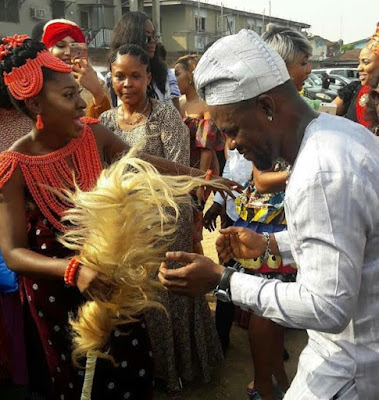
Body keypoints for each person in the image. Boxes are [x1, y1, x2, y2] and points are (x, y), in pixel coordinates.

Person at [0, 35, 233, 400]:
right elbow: (13, 254)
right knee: (77, 384)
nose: (82, 104)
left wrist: (200, 177)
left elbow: (142, 163)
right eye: (68, 96)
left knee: (130, 368)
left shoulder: (92, 136)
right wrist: (74, 271)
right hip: (56, 299)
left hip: (111, 283)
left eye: (78, 92)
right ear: (33, 103)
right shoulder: (14, 167)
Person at [159, 29, 379, 400]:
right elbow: (349, 236)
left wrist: (222, 280)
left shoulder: (320, 172)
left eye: (232, 130)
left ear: (266, 107)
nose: (230, 144)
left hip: (350, 369)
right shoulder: (337, 135)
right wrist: (270, 242)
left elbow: (327, 307)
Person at [100, 44, 224, 396]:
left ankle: (177, 368)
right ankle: (145, 367)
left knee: (169, 291)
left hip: (167, 219)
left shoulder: (165, 116)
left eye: (135, 76)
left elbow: (176, 178)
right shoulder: (106, 122)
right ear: (111, 78)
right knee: (138, 295)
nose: (127, 84)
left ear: (149, 77)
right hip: (126, 222)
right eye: (119, 76)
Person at [175, 54, 225, 254]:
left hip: (198, 175)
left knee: (194, 235)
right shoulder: (177, 104)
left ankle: (201, 281)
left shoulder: (206, 106)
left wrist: (199, 183)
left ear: (190, 76)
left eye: (178, 74)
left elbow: (206, 147)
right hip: (180, 174)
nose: (175, 78)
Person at [109, 11, 181, 110]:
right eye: (147, 37)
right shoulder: (109, 80)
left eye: (154, 36)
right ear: (131, 38)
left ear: (148, 78)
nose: (153, 41)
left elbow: (178, 117)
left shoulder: (165, 75)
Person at [42, 19, 111, 118]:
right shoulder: (37, 84)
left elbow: (108, 124)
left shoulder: (96, 82)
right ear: (47, 50)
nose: (68, 52)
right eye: (61, 46)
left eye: (73, 46)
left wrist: (97, 92)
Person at [333, 22, 379, 126]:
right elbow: (327, 113)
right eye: (359, 62)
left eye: (366, 62)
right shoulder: (354, 90)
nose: (359, 68)